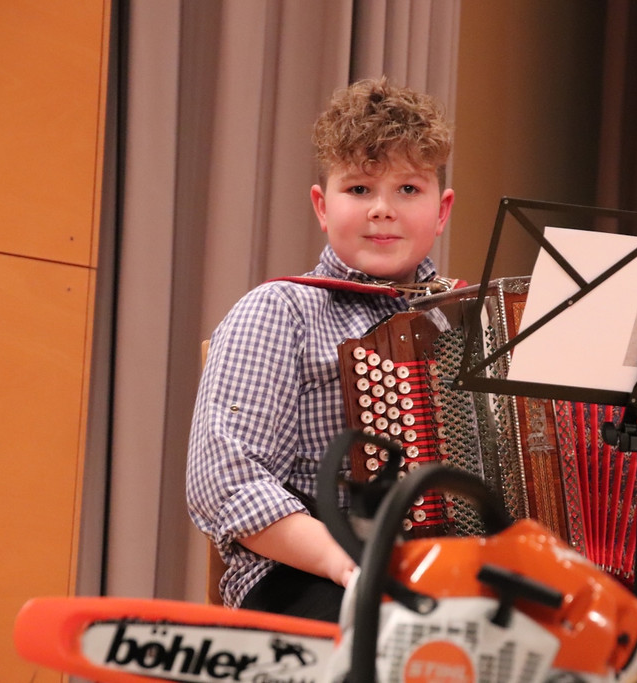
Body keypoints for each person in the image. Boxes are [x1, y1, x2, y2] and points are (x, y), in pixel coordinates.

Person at [186, 76, 456, 622]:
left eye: (408, 189)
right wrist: (345, 562)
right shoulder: (281, 310)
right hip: (304, 574)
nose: (383, 209)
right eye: (359, 189)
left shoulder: (460, 324)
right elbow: (225, 478)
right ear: (321, 206)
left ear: (442, 210)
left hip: (440, 574)